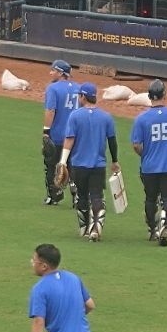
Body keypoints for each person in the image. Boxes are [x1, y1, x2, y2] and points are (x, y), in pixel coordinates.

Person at [57, 82, 120, 242]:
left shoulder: (75, 116)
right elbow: (112, 141)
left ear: (83, 97)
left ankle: (84, 228)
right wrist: (115, 160)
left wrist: (63, 161)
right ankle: (96, 227)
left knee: (82, 196)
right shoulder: (106, 117)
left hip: (79, 165)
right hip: (98, 165)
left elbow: (69, 139)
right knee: (97, 196)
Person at [130, 79, 167, 246]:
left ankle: (153, 230)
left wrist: (146, 154)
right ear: (164, 94)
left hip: (149, 166)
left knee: (150, 198)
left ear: (149, 96)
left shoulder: (141, 119)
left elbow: (136, 145)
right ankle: (166, 226)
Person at [41, 59, 79, 204]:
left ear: (61, 73)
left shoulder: (53, 88)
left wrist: (46, 131)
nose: (51, 73)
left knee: (51, 165)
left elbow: (50, 111)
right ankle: (77, 196)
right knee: (74, 166)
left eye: (54, 70)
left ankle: (54, 195)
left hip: (57, 135)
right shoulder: (79, 88)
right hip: (75, 136)